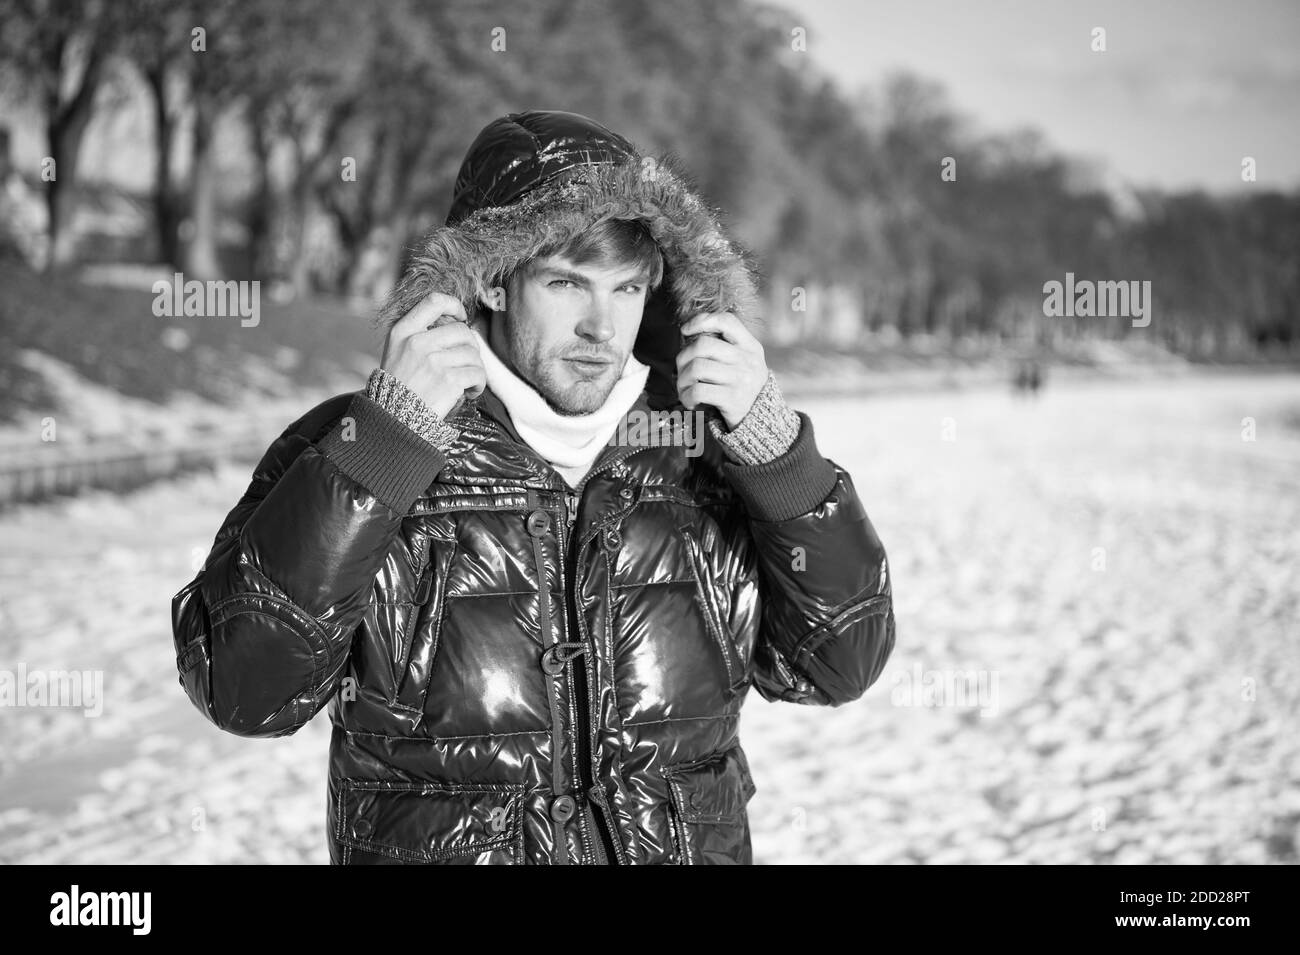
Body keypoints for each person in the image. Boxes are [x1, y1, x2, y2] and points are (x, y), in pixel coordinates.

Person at [171, 109, 896, 865]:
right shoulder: (360, 445)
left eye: (626, 289)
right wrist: (384, 448)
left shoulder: (706, 454)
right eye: (565, 283)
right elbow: (245, 687)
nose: (600, 327)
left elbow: (840, 659)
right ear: (490, 281)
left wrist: (776, 453)